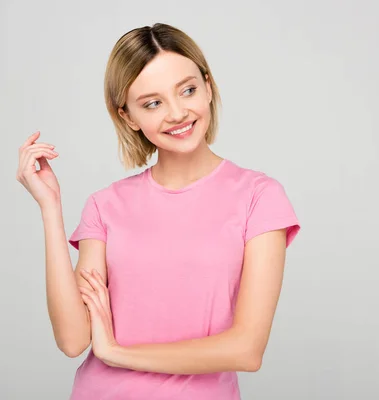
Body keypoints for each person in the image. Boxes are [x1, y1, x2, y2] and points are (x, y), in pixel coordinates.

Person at [16, 23, 300, 400]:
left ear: (208, 87)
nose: (177, 113)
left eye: (187, 90)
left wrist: (118, 353)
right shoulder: (105, 206)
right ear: (129, 117)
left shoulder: (259, 198)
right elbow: (73, 340)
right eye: (153, 103)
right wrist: (50, 208)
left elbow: (246, 350)